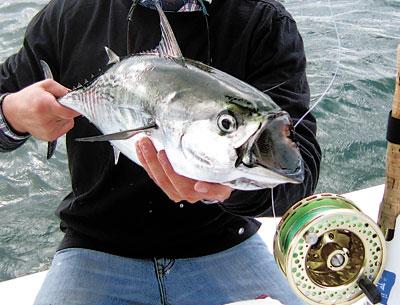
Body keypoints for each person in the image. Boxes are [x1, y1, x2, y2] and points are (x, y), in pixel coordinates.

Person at [0, 0, 321, 304]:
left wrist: (230, 190)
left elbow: (299, 170)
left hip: (225, 240)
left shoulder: (263, 22)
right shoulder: (70, 14)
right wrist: (13, 113)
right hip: (94, 245)